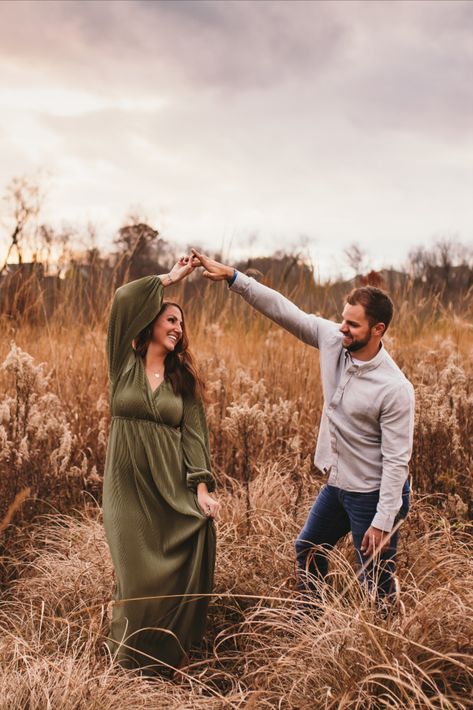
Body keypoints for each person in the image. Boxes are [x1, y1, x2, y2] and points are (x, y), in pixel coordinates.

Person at [191, 247, 414, 607]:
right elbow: (285, 311)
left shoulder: (395, 389)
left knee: (375, 581)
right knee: (308, 549)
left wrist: (383, 521)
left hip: (374, 494)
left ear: (378, 329)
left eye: (353, 324)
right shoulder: (333, 339)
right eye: (343, 319)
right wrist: (235, 277)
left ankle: (389, 646)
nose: (343, 328)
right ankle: (313, 622)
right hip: (338, 484)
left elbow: (397, 461)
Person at [102, 255, 219, 677]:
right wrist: (170, 278)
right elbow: (122, 298)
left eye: (181, 325)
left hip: (170, 489)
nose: (177, 328)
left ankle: (170, 658)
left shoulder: (181, 380)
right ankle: (127, 666)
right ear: (150, 321)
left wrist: (202, 489)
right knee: (135, 583)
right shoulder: (122, 364)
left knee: (174, 571)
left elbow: (194, 436)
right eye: (170, 319)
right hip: (125, 491)